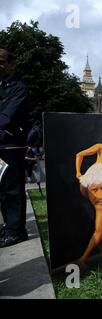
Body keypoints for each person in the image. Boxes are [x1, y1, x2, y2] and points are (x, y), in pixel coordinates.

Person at [0, 48, 32, 248]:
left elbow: (6, 117)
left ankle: (16, 231)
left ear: (11, 65)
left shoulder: (18, 87)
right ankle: (9, 227)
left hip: (11, 144)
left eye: (1, 61)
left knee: (12, 189)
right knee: (2, 190)